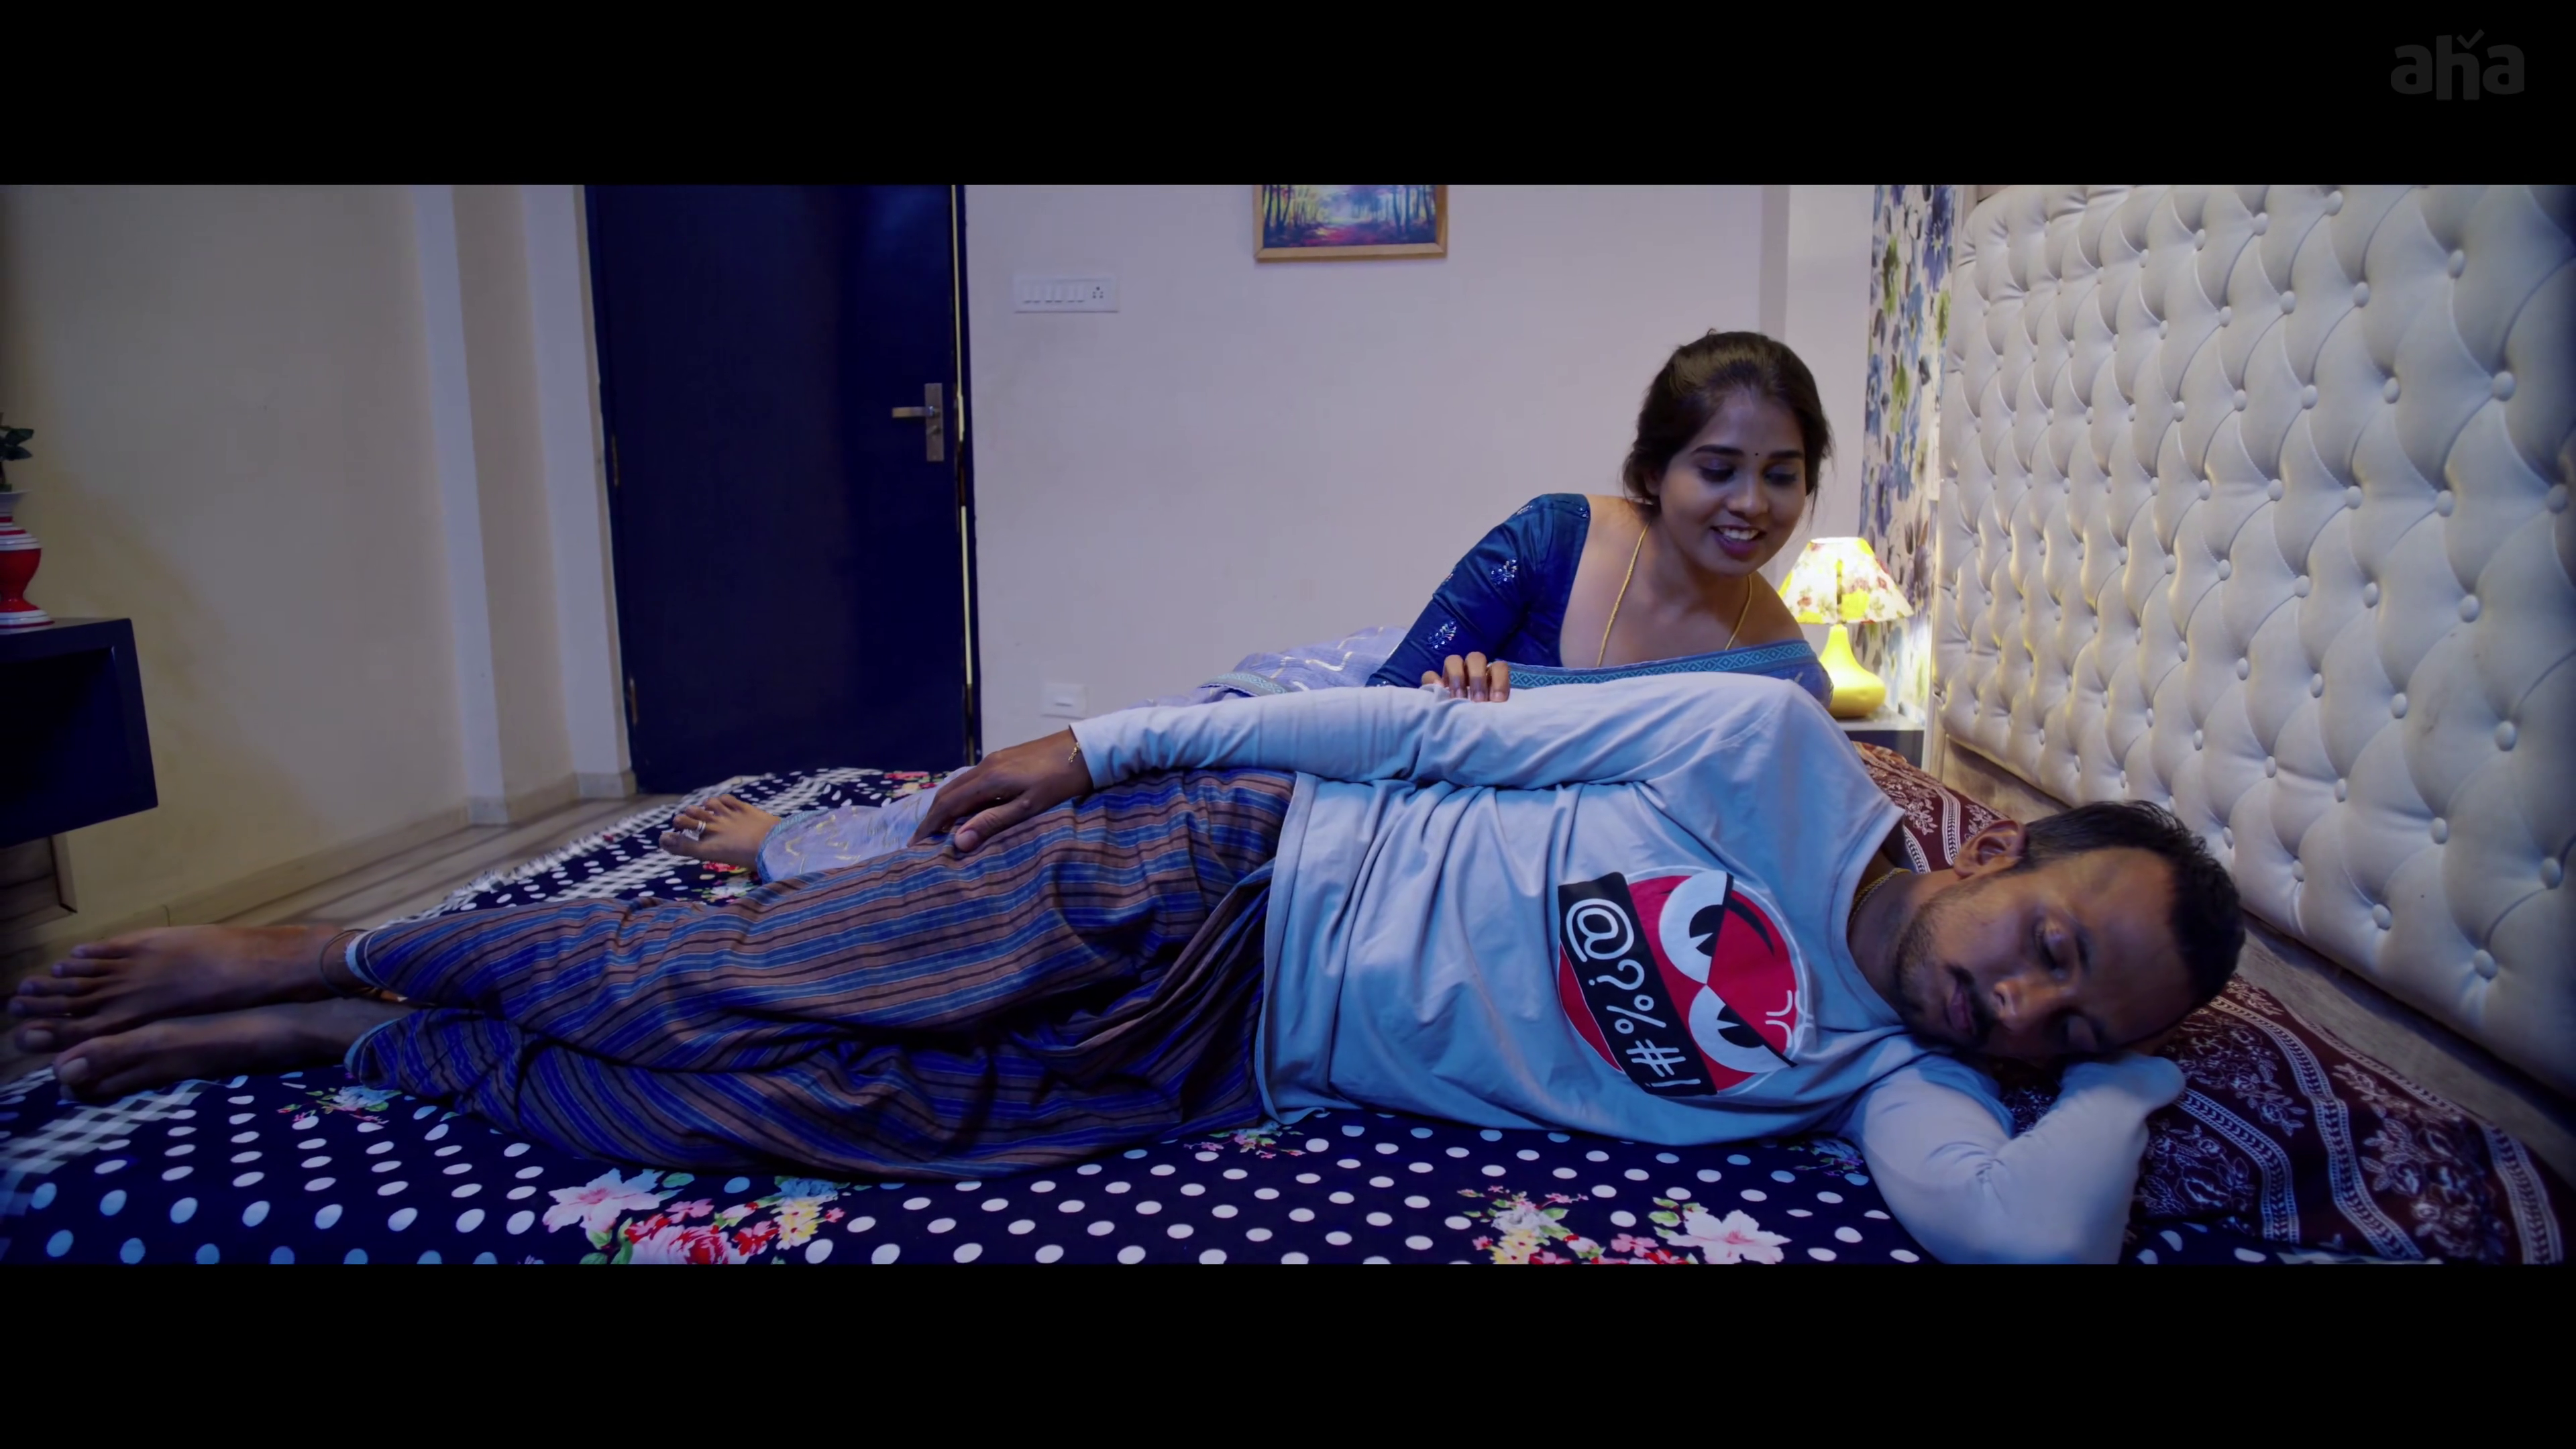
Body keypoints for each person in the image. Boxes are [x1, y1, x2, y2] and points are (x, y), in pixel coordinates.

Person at [9, 674, 2241, 1263]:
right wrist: (1106, 746)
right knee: (752, 976)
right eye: (2055, 947)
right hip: (1225, 874)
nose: (2025, 1010)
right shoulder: (1763, 754)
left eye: (2077, 1026)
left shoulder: (1879, 1083)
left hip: (1222, 1072)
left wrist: (2133, 1079)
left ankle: (357, 1040)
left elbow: (2030, 1242)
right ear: (2002, 846)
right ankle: (336, 942)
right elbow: (1421, 731)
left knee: (776, 1110)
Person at [1370, 330, 1834, 706]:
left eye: (1780, 477)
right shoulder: (1548, 543)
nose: (1752, 503)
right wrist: (1450, 706)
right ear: (1654, 473)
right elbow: (1377, 714)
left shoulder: (1785, 674)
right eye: (1717, 471)